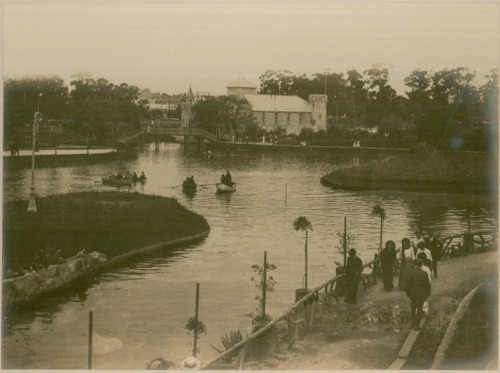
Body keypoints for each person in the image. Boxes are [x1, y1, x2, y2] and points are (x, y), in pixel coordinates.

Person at [406, 259, 431, 330]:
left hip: (412, 293)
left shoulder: (411, 273)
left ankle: (412, 324)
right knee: (419, 308)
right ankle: (417, 325)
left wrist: (408, 294)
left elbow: (408, 285)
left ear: (414, 265)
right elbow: (427, 286)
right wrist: (427, 295)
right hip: (421, 293)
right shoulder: (424, 273)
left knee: (413, 308)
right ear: (421, 265)